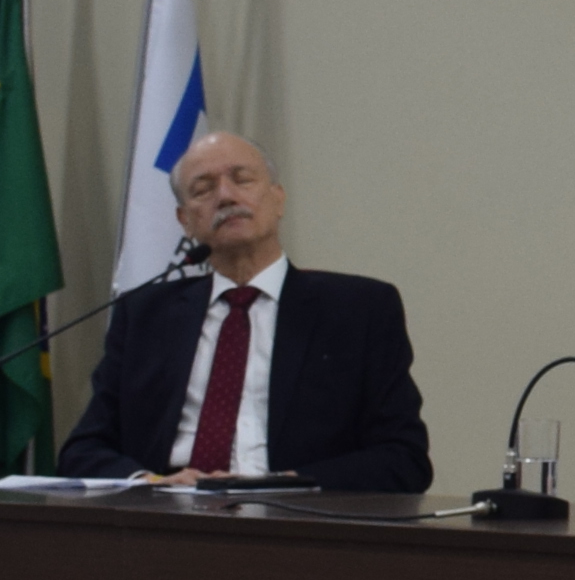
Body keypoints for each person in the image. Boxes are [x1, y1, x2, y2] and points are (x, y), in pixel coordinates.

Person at [56, 130, 430, 490]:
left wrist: (289, 485)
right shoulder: (145, 315)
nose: (225, 196)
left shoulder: (358, 310)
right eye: (203, 189)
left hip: (295, 516)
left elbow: (403, 458)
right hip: (168, 512)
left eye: (242, 179)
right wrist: (151, 483)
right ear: (185, 221)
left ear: (278, 199)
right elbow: (83, 450)